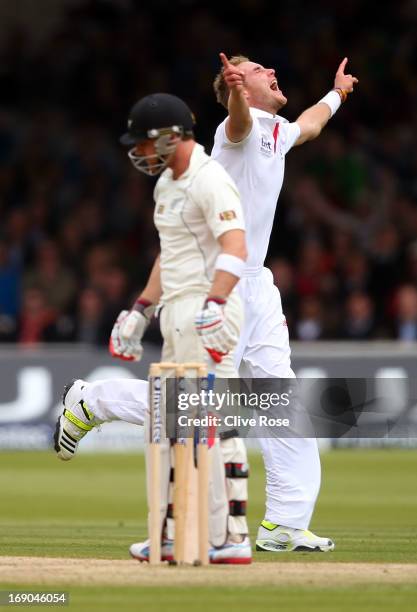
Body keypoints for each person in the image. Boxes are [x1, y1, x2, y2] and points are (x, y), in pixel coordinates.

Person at [56, 52, 358, 553]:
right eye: (258, 70)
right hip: (218, 286)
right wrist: (238, 95)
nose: (271, 71)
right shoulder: (230, 134)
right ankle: (93, 401)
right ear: (238, 88)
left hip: (257, 286)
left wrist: (338, 93)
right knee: (198, 412)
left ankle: (284, 523)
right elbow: (239, 125)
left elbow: (310, 125)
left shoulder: (276, 130)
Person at [55, 93, 251, 565]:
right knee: (173, 424)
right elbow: (171, 254)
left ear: (170, 137)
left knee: (209, 423)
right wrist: (141, 309)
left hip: (208, 309)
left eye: (144, 144)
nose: (140, 153)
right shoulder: (167, 185)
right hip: (178, 312)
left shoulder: (210, 180)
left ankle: (228, 537)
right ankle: (174, 533)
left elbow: (236, 245)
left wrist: (218, 301)